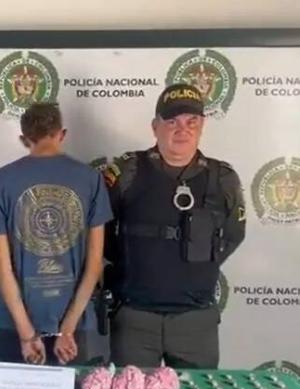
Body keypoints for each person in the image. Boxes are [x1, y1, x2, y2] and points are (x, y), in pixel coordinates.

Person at [103, 83, 246, 369]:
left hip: (195, 321)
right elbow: (101, 234)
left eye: (191, 121)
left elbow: (234, 234)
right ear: (155, 126)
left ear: (202, 125)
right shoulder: (127, 171)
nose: (183, 129)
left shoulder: (223, 178)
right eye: (172, 121)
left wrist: (197, 263)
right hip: (135, 318)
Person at [0, 102, 113, 366]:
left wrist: (26, 335)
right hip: (75, 326)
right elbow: (94, 264)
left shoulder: (2, 179)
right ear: (61, 134)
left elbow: (2, 268)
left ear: (24, 139)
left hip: (12, 323)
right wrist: (67, 329)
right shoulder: (91, 179)